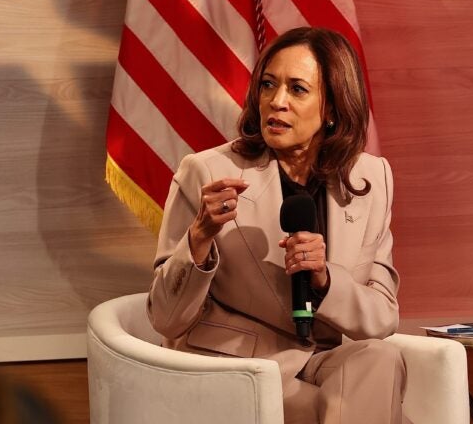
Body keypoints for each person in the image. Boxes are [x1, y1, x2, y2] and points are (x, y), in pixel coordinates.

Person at [147, 27, 409, 424]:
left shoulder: (371, 179)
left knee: (381, 357)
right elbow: (166, 319)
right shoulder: (206, 171)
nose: (277, 102)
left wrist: (325, 280)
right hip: (237, 367)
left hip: (321, 362)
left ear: (333, 108)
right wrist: (199, 237)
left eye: (297, 89)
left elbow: (382, 319)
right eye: (268, 85)